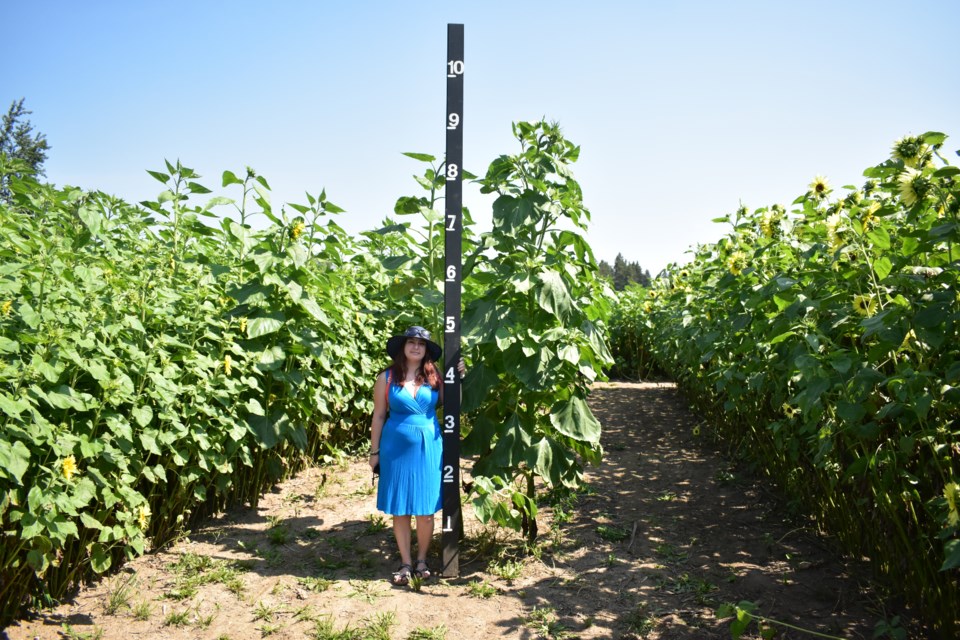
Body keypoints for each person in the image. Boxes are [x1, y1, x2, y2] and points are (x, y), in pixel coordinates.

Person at [368, 326, 464, 585]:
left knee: (425, 508)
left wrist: (458, 378)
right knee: (400, 508)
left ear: (426, 351)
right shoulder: (386, 378)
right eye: (411, 342)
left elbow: (453, 401)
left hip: (429, 447)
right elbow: (378, 415)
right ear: (403, 347)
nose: (416, 347)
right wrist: (374, 452)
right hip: (394, 448)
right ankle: (406, 562)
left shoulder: (434, 376)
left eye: (421, 344)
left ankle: (422, 558)